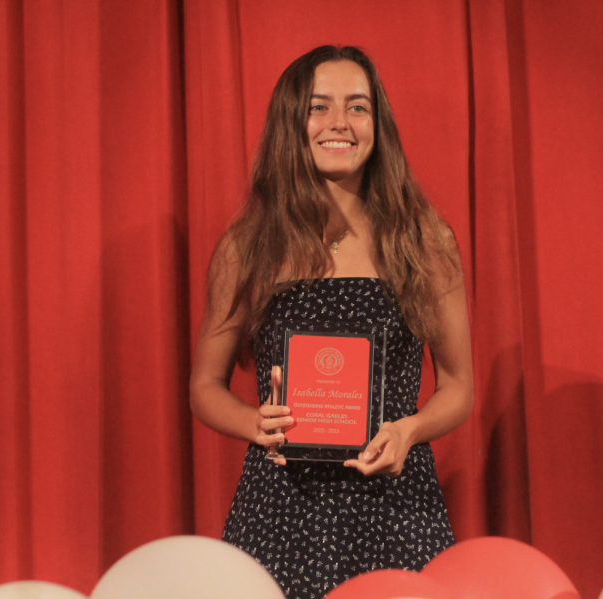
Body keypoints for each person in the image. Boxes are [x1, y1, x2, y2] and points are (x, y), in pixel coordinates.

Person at [189, 45, 474, 599]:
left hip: (394, 505)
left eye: (357, 107)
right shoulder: (249, 246)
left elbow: (459, 387)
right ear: (291, 122)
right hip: (280, 511)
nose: (338, 123)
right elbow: (204, 387)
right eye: (319, 107)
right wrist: (256, 424)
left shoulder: (423, 241)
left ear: (378, 124)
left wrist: (407, 431)